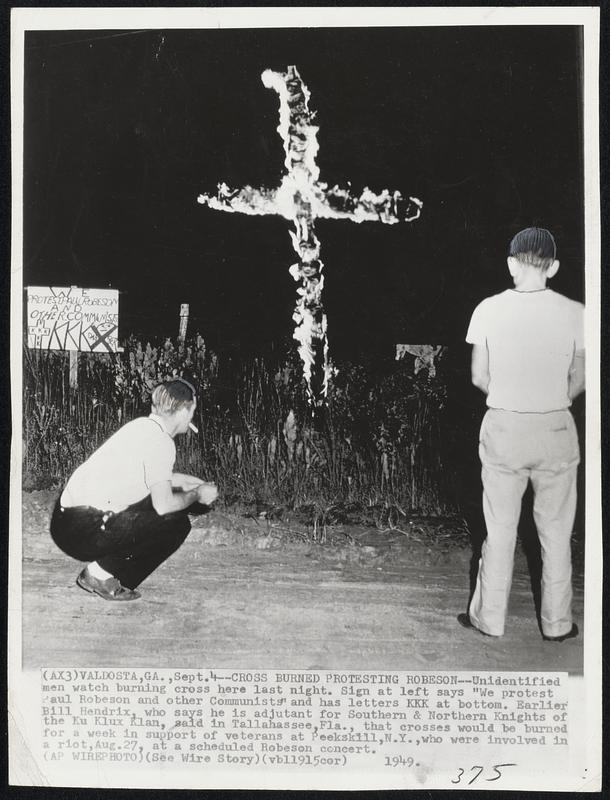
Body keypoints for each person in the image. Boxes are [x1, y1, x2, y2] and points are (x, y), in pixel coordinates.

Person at [459, 227, 585, 641]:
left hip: (505, 428)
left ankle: (488, 619)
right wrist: (550, 399)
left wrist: (511, 398)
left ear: (511, 263)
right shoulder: (576, 312)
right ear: (555, 267)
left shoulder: (488, 309)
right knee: (555, 532)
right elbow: (580, 378)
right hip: (554, 428)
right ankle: (557, 625)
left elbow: (479, 376)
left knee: (498, 529)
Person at [50, 377, 218, 601]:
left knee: (162, 506)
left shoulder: (141, 426)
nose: (192, 417)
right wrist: (197, 494)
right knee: (175, 523)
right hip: (84, 529)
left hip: (66, 523)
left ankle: (102, 571)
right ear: (183, 410)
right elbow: (163, 505)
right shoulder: (162, 443)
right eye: (192, 411)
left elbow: (155, 477)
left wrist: (190, 483)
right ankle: (100, 574)